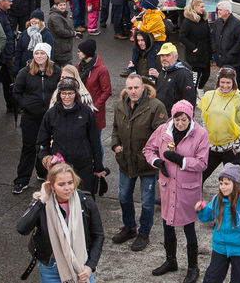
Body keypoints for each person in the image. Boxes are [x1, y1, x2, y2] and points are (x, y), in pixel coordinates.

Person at [142, 99, 210, 283]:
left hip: (188, 190)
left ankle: (193, 267)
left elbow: (202, 163)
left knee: (189, 228)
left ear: (190, 119)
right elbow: (148, 149)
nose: (180, 123)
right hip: (167, 186)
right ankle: (171, 260)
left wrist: (181, 160)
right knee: (167, 224)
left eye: (184, 120)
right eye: (177, 119)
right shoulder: (163, 130)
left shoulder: (200, 135)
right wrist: (158, 162)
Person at [16, 162, 105, 283]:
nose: (67, 188)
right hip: (51, 267)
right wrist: (41, 200)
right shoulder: (42, 203)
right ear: (51, 186)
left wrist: (90, 266)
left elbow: (98, 235)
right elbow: (22, 229)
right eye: (61, 184)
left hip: (81, 267)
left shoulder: (85, 201)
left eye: (70, 182)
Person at [111, 73, 168, 252]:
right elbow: (115, 129)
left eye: (136, 88)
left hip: (146, 164)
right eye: (130, 88)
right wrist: (115, 146)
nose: (133, 91)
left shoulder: (156, 106)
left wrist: (151, 156)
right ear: (126, 89)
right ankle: (129, 227)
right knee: (124, 196)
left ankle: (144, 233)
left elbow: (162, 136)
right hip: (126, 161)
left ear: (143, 87)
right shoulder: (120, 105)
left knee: (146, 201)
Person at [194, 164, 240, 283]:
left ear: (235, 184)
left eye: (226, 184)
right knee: (212, 277)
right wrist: (201, 211)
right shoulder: (217, 199)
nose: (223, 187)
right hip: (220, 246)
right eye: (221, 184)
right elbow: (207, 216)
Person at [37, 77, 104, 188]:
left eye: (70, 93)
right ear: (59, 95)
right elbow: (41, 142)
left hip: (83, 166)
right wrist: (47, 159)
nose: (67, 97)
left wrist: (98, 167)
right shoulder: (51, 114)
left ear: (76, 94)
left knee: (84, 200)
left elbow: (95, 141)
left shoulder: (86, 112)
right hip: (60, 167)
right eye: (63, 93)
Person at [12, 42, 61, 194]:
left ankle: (43, 172)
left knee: (47, 147)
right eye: (37, 53)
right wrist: (25, 105)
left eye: (42, 53)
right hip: (30, 117)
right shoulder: (25, 72)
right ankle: (22, 180)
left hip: (49, 117)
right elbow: (16, 92)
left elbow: (60, 89)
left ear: (48, 55)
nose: (39, 56)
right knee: (29, 148)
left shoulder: (56, 71)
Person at [198, 67, 240, 180]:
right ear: (218, 82)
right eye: (222, 82)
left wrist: (237, 146)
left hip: (230, 149)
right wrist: (205, 140)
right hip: (211, 148)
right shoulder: (208, 96)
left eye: (228, 82)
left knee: (230, 183)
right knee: (199, 178)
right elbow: (204, 119)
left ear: (234, 83)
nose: (225, 85)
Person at [149, 42, 196, 114]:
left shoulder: (183, 74)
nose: (164, 58)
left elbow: (190, 100)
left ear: (176, 57)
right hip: (161, 116)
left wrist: (184, 120)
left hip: (175, 118)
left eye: (167, 55)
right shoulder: (163, 71)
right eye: (162, 55)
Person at [212, 1, 240, 93]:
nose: (218, 12)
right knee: (223, 84)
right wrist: (215, 51)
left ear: (227, 11)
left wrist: (230, 54)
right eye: (218, 10)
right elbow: (213, 37)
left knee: (237, 84)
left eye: (220, 10)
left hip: (234, 62)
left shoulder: (237, 24)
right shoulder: (217, 23)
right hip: (221, 60)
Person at [180, 0, 213, 90]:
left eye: (204, 6)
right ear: (194, 7)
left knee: (206, 75)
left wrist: (211, 49)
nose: (203, 8)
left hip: (205, 53)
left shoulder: (204, 19)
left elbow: (208, 35)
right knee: (195, 78)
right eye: (201, 7)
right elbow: (182, 36)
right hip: (194, 56)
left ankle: (200, 89)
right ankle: (192, 95)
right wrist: (193, 48)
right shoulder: (188, 21)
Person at [48, 0, 77, 66]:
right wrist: (73, 34)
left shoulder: (60, 14)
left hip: (62, 48)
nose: (63, 7)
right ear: (55, 5)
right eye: (60, 5)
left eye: (64, 5)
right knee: (68, 70)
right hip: (60, 49)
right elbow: (60, 31)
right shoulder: (55, 17)